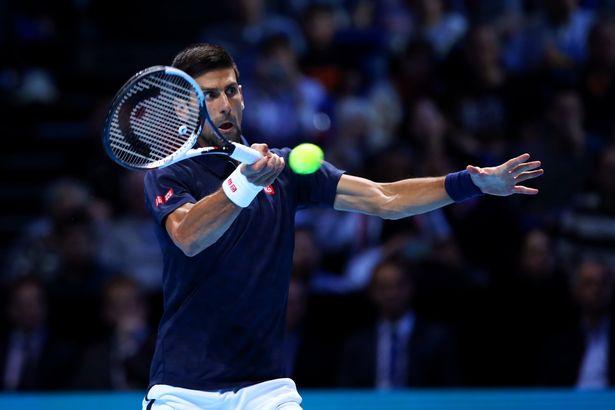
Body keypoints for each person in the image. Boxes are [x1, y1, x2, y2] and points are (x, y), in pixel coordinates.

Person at [141, 43, 543, 410]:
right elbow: (189, 236)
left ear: (243, 94)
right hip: (183, 389)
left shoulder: (284, 170)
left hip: (265, 389)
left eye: (231, 90)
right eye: (209, 95)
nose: (224, 104)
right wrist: (243, 183)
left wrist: (472, 183)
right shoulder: (170, 174)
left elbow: (385, 198)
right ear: (183, 108)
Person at [339, 258, 461, 388]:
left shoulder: (437, 339)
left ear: (412, 287)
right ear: (372, 292)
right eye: (383, 287)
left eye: (399, 285)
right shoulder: (357, 344)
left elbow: (451, 389)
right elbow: (346, 391)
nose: (392, 293)